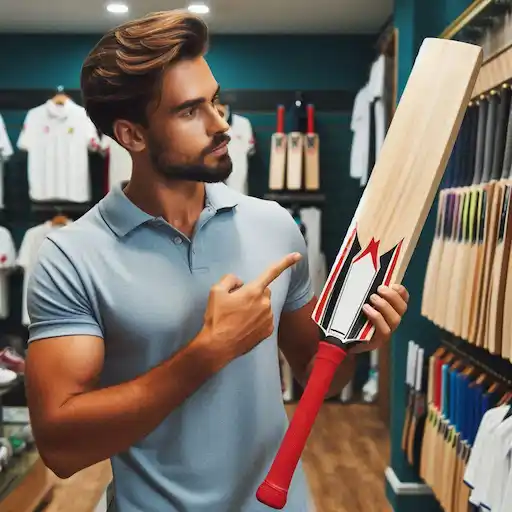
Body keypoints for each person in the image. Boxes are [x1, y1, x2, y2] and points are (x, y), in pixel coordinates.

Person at [24, 10, 410, 512]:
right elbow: (60, 446)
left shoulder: (272, 225)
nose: (221, 123)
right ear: (132, 135)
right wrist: (208, 353)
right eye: (190, 112)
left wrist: (354, 348)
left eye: (216, 100)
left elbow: (317, 371)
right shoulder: (69, 256)